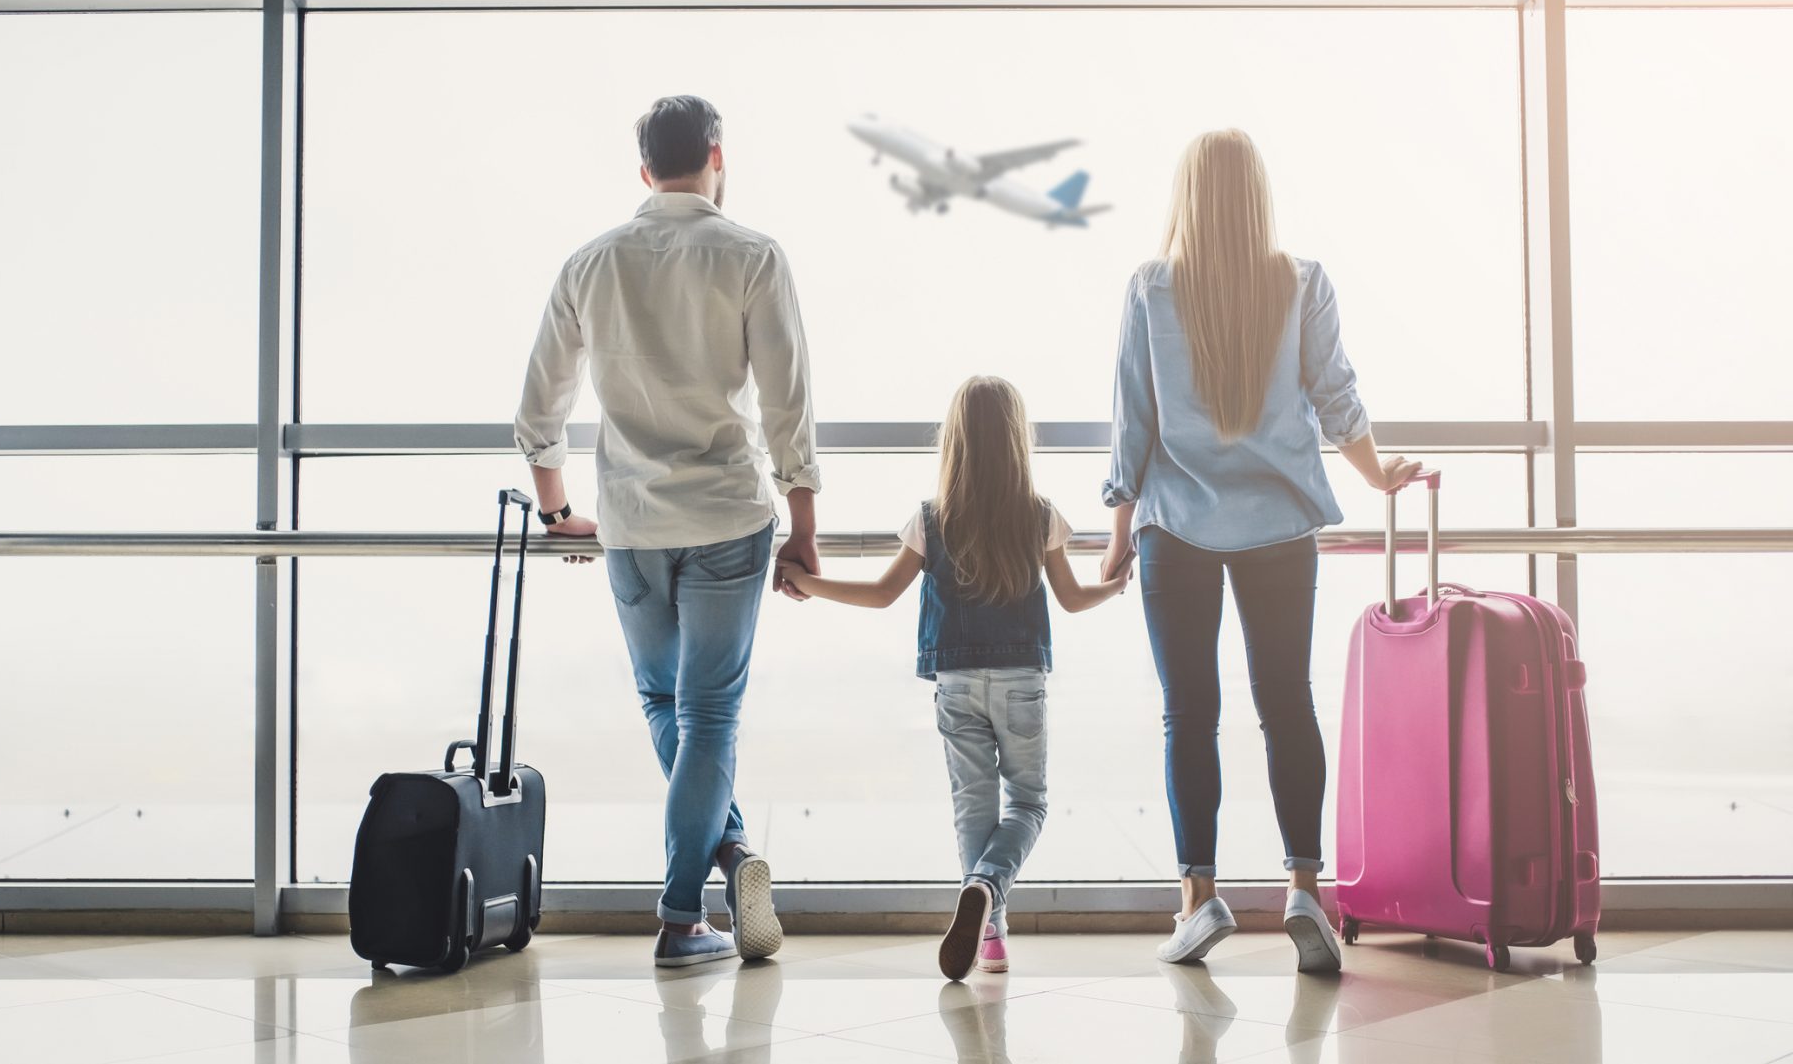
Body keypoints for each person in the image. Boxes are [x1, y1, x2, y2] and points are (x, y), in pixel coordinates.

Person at [1098, 129, 1422, 973]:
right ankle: (1304, 888)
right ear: (1258, 197)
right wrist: (1377, 473)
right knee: (1286, 703)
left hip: (1177, 527)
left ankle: (1198, 901)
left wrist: (1118, 530)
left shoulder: (1150, 288)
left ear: (1189, 197)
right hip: (1279, 525)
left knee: (1189, 714)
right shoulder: (1301, 281)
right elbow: (1336, 393)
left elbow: (1133, 424)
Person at [514, 94, 822, 967]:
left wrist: (554, 510)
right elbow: (787, 405)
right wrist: (804, 526)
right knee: (711, 712)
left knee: (666, 704)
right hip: (730, 515)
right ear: (718, 157)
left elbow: (539, 410)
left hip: (633, 525)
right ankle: (687, 905)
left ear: (644, 169)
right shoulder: (754, 255)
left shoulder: (591, 263)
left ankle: (715, 870)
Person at [782, 375, 1125, 980]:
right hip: (1021, 681)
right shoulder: (1040, 515)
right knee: (1028, 804)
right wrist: (1117, 584)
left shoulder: (932, 518)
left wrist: (807, 583)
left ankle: (990, 937)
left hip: (957, 681)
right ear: (1017, 440)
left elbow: (883, 594)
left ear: (956, 442)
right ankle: (988, 890)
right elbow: (1072, 599)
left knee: (974, 809)